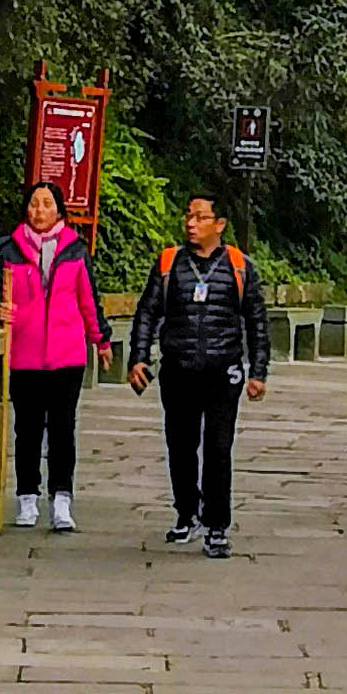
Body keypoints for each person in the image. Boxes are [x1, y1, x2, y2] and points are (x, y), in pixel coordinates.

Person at [125, 191, 267, 555]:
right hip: (179, 371)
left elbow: (257, 323)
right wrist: (138, 357)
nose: (191, 223)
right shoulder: (170, 264)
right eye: (189, 216)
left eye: (201, 217)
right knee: (181, 448)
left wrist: (258, 371)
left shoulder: (239, 267)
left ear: (219, 225)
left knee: (219, 450)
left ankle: (217, 525)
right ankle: (186, 513)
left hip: (223, 374)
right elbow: (147, 313)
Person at [0, 180, 109, 532]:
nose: (40, 211)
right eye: (35, 204)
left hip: (67, 354)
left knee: (62, 429)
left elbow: (88, 299)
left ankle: (62, 499)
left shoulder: (75, 251)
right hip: (24, 353)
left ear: (59, 211)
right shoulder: (9, 250)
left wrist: (101, 339)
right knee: (27, 429)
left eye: (47, 204)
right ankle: (26, 497)